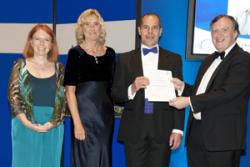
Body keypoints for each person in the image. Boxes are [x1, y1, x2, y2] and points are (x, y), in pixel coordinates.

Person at [169, 15, 250, 167]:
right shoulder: (208, 60)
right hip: (197, 137)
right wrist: (183, 87)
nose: (218, 35)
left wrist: (188, 101)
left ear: (235, 33)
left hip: (222, 141)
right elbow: (203, 92)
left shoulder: (243, 59)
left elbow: (226, 93)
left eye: (224, 30)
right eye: (214, 31)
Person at [111, 13, 184, 167]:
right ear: (139, 30)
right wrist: (132, 88)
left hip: (162, 129)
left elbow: (179, 95)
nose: (150, 32)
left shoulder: (174, 59)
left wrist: (178, 129)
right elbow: (115, 94)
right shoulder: (124, 59)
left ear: (161, 31)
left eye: (154, 27)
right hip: (134, 130)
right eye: (146, 27)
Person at [8, 24, 66, 167]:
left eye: (46, 40)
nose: (41, 44)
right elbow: (13, 97)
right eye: (37, 39)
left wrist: (53, 122)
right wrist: (28, 123)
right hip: (24, 124)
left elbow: (63, 100)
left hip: (52, 126)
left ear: (52, 44)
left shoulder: (60, 68)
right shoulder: (19, 65)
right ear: (31, 41)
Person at [64, 9, 115, 167]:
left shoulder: (110, 53)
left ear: (101, 28)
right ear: (81, 28)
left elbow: (113, 87)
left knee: (103, 153)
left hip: (105, 117)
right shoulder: (75, 53)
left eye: (96, 24)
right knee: (85, 158)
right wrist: (77, 123)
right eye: (88, 24)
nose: (92, 28)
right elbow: (69, 91)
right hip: (84, 116)